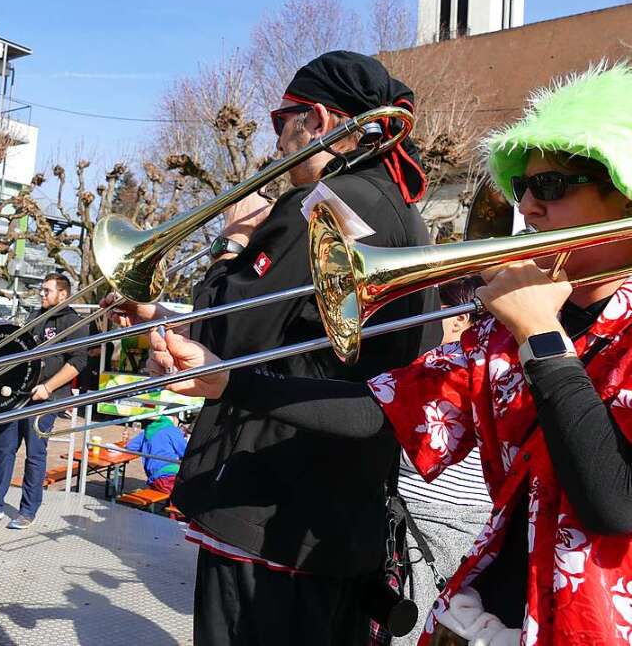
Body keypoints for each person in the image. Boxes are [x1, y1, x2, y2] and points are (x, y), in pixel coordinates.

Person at [145, 63, 632, 645]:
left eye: (550, 186)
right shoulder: (500, 333)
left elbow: (615, 503)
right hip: (484, 613)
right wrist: (229, 384)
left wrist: (543, 341)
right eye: (521, 187)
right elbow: (385, 411)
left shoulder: (537, 328)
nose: (526, 206)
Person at [106, 51, 439, 645]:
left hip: (271, 501)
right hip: (338, 520)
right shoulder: (406, 216)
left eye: (279, 119)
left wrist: (233, 240)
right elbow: (292, 334)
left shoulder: (324, 205)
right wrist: (158, 314)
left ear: (313, 120)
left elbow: (230, 334)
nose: (277, 140)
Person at [394, 277, 491, 646]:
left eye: (437, 309)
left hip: (428, 525)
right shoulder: (489, 364)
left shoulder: (447, 369)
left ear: (459, 319)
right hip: (471, 527)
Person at [0, 272, 89, 529]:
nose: (42, 294)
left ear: (63, 294)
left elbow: (78, 362)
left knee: (35, 454)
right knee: (4, 447)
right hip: (19, 397)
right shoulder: (34, 317)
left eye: (47, 291)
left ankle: (28, 510)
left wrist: (47, 387)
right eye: (42, 290)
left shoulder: (73, 321)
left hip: (46, 398)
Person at [124, 415, 188, 494]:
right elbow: (186, 452)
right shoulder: (173, 430)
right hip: (169, 477)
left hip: (153, 477)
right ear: (175, 418)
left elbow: (130, 446)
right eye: (179, 421)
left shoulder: (148, 430)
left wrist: (148, 447)